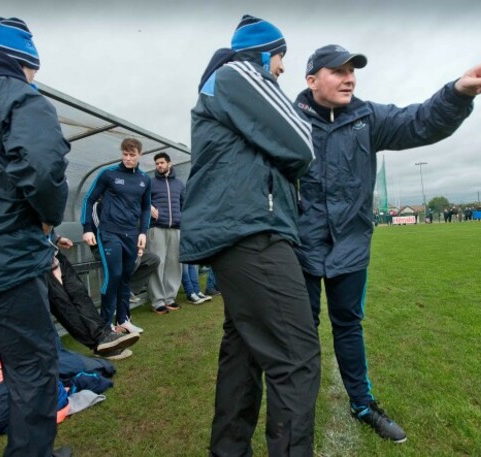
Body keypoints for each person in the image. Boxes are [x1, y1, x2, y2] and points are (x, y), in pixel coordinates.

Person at [294, 44, 481, 443]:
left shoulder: (368, 116)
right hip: (299, 248)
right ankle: (296, 411)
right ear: (311, 80)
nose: (350, 78)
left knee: (348, 327)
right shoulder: (288, 118)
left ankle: (362, 403)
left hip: (351, 246)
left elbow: (421, 122)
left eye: (352, 71)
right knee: (300, 331)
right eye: (338, 71)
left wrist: (459, 92)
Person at [179, 15, 321, 456]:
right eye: (281, 59)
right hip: (252, 232)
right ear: (264, 53)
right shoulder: (238, 72)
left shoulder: (224, 84)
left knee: (243, 353)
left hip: (237, 232)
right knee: (296, 357)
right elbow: (302, 142)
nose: (281, 70)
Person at [0, 17, 71, 456]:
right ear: (25, 62)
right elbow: (41, 165)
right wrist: (46, 218)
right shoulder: (17, 93)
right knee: (33, 372)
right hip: (7, 264)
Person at [80, 138, 151, 335]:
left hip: (132, 234)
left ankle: (124, 320)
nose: (128, 158)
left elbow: (146, 207)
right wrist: (87, 228)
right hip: (110, 232)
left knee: (126, 277)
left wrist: (143, 232)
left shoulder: (145, 179)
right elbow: (89, 198)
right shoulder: (108, 174)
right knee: (114, 275)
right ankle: (105, 326)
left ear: (140, 155)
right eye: (125, 154)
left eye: (132, 155)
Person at [48, 234, 139, 360]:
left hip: (53, 254)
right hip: (34, 260)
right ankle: (98, 345)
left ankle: (105, 336)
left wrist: (56, 237)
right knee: (62, 304)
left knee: (79, 292)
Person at [147, 152, 186, 314]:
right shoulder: (151, 183)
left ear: (169, 164)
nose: (159, 166)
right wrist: (149, 207)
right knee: (158, 263)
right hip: (157, 228)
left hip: (175, 229)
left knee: (174, 264)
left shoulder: (179, 184)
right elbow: (142, 200)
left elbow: (185, 204)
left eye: (162, 163)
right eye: (157, 164)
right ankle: (157, 301)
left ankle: (170, 298)